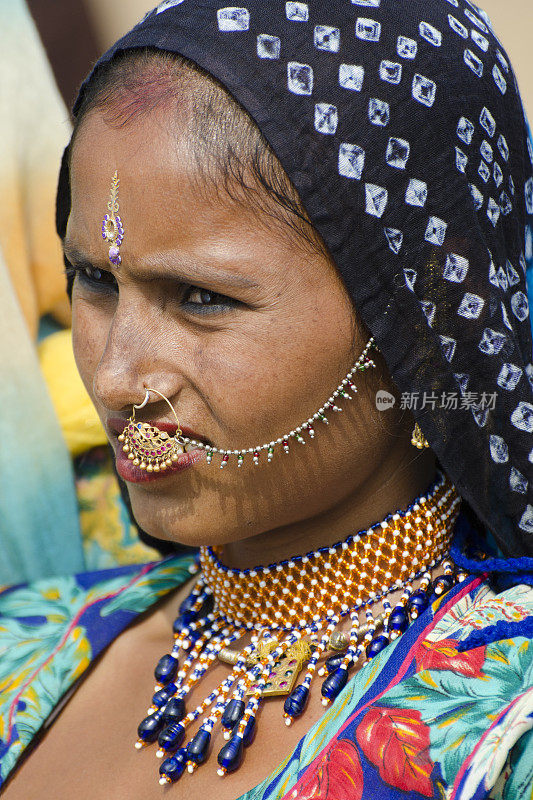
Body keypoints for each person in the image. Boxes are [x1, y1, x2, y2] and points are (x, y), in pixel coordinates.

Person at [1, 0, 533, 798]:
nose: (114, 379)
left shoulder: (500, 735)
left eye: (200, 298)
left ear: (422, 312)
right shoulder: (20, 644)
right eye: (94, 280)